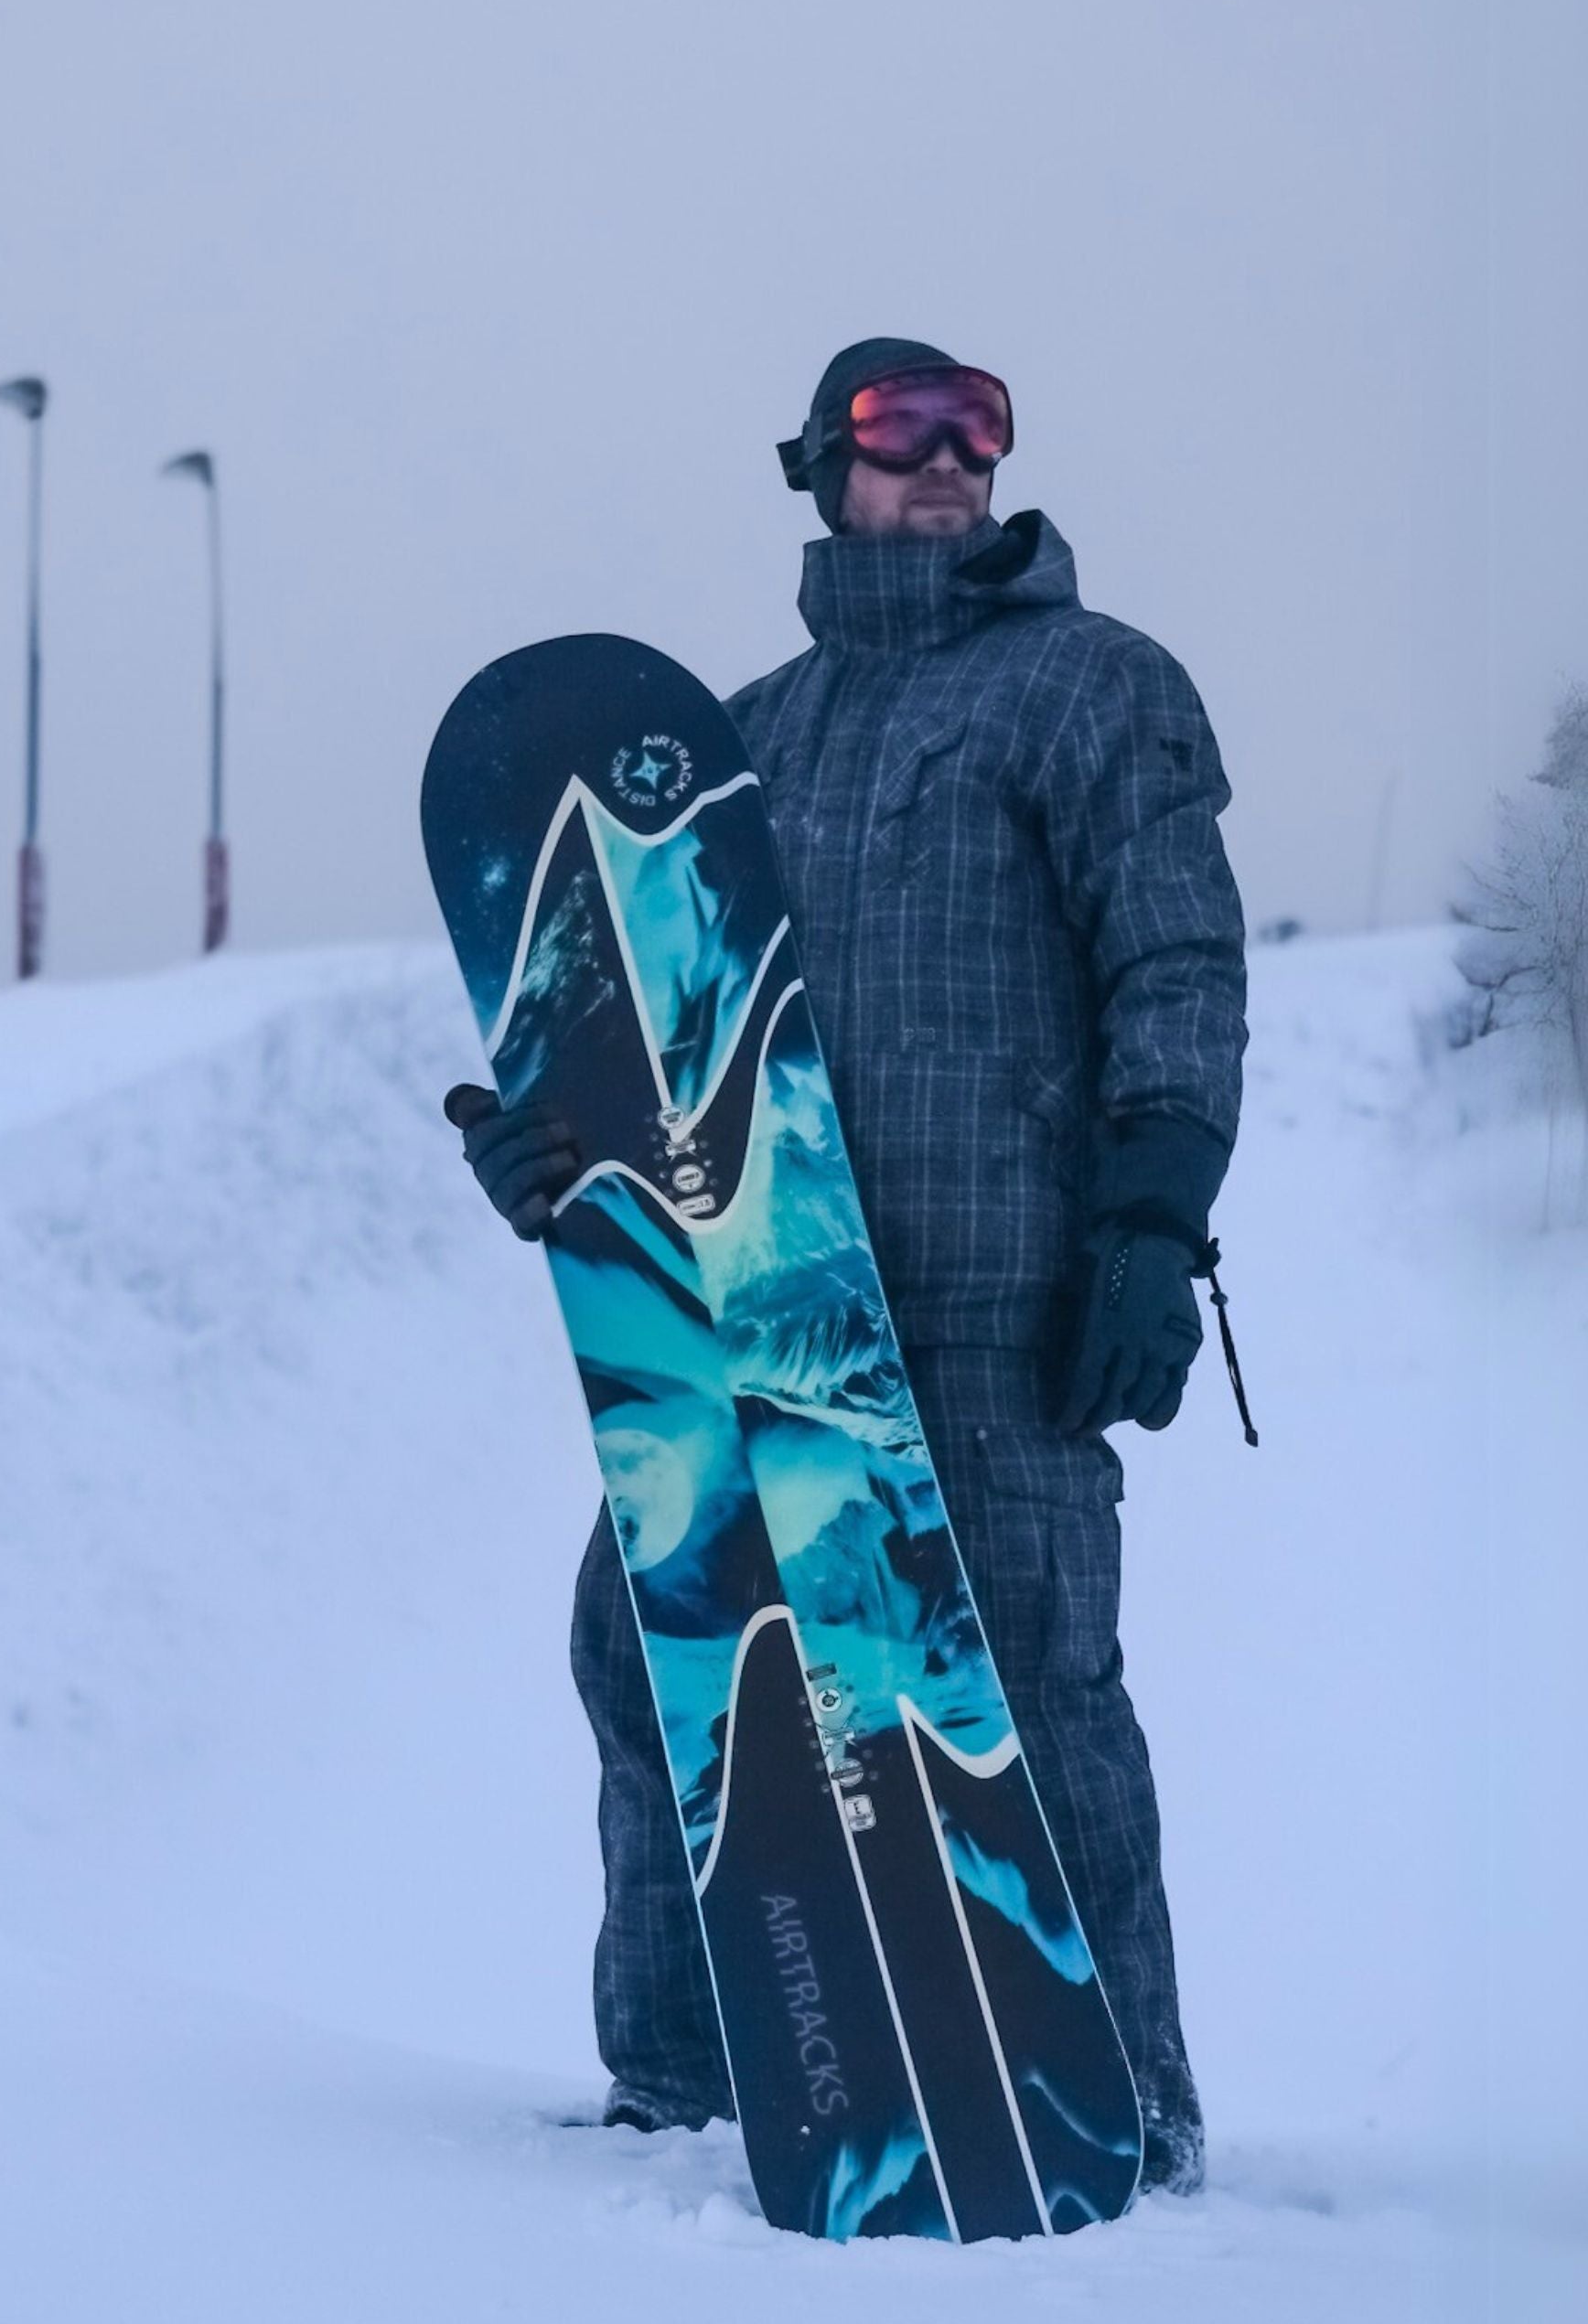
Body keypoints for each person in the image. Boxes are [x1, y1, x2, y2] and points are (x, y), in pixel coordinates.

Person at [445, 337, 1249, 2198]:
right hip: (753, 1299)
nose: (952, 462)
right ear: (820, 467)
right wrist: (549, 1150)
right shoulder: (748, 734)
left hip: (986, 1314)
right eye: (902, 431)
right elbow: (645, 1025)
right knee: (664, 1676)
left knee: (1032, 1703)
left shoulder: (1087, 687)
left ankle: (1127, 2115)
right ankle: (690, 2096)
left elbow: (1175, 965)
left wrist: (1149, 1217)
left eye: (981, 428)